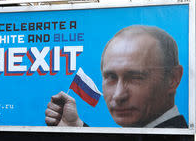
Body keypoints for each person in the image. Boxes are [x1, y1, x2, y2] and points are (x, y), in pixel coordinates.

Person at [45, 25, 187, 128]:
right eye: (111, 77)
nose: (119, 95)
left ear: (173, 79)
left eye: (136, 77)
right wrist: (75, 126)